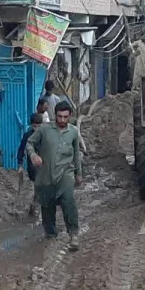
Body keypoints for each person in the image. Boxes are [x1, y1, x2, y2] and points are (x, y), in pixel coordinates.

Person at [28, 101, 85, 250]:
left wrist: (79, 174)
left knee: (68, 201)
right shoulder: (44, 130)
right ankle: (51, 235)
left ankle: (73, 235)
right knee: (47, 207)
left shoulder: (73, 132)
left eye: (65, 117)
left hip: (66, 173)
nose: (62, 120)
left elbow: (76, 155)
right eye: (59, 117)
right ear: (55, 115)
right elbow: (29, 143)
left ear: (70, 116)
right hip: (46, 175)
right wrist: (33, 155)